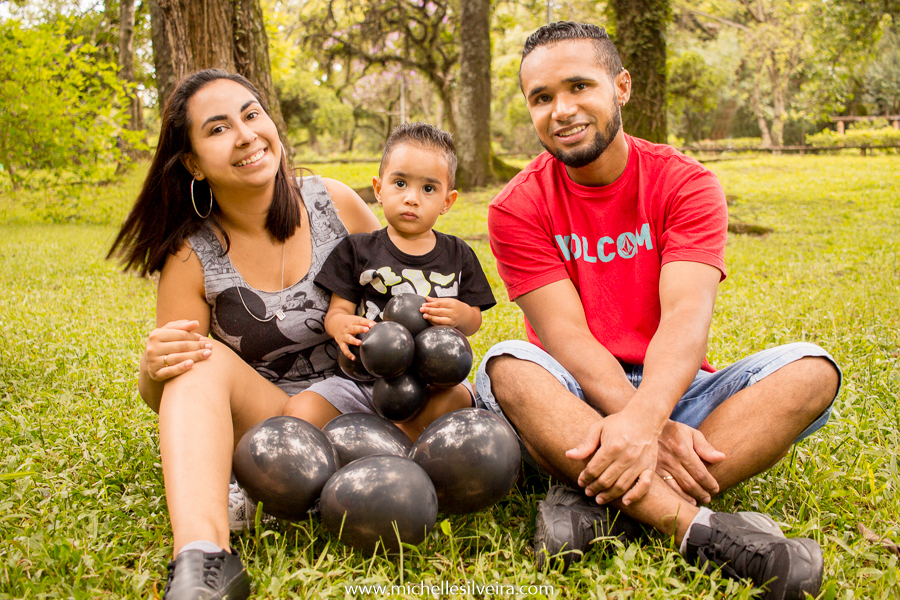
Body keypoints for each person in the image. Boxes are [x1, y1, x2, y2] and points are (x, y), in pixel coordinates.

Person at [474, 22, 841, 600]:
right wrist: (650, 428)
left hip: (675, 391)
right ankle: (697, 529)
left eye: (579, 86)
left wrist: (649, 422)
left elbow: (685, 320)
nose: (561, 110)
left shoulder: (685, 183)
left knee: (813, 370)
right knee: (507, 366)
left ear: (621, 86)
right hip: (571, 399)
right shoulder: (516, 206)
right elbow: (566, 337)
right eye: (541, 97)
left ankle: (602, 504)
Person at [108, 69, 381, 600]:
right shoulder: (192, 254)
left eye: (252, 115)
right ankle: (204, 561)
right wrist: (151, 369)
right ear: (193, 164)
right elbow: (175, 390)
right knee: (196, 358)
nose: (245, 135)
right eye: (218, 129)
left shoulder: (335, 204)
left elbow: (402, 290)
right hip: (273, 428)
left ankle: (293, 493)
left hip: (366, 409)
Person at [283, 122, 497, 440]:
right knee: (300, 410)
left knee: (457, 397)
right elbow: (338, 311)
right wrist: (340, 325)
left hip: (430, 384)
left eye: (428, 189)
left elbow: (474, 320)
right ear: (379, 189)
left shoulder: (458, 253)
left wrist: (461, 315)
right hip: (363, 380)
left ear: (447, 201)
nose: (411, 198)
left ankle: (394, 441)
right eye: (400, 183)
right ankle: (389, 440)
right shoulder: (357, 250)